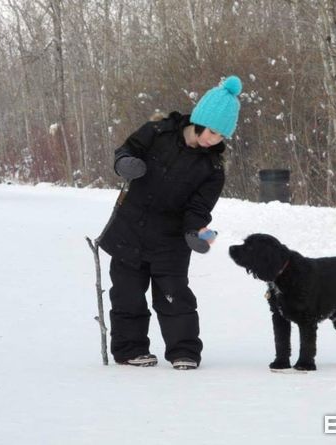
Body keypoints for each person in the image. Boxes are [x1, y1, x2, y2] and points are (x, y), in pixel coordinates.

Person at [97, 76, 242, 370]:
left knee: (175, 297)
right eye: (212, 131)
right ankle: (130, 350)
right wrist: (124, 163)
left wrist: (195, 232)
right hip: (129, 231)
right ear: (199, 120)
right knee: (127, 295)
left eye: (221, 136)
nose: (214, 140)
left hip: (170, 241)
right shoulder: (157, 131)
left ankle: (184, 351)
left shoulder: (212, 168)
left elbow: (199, 208)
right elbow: (125, 150)